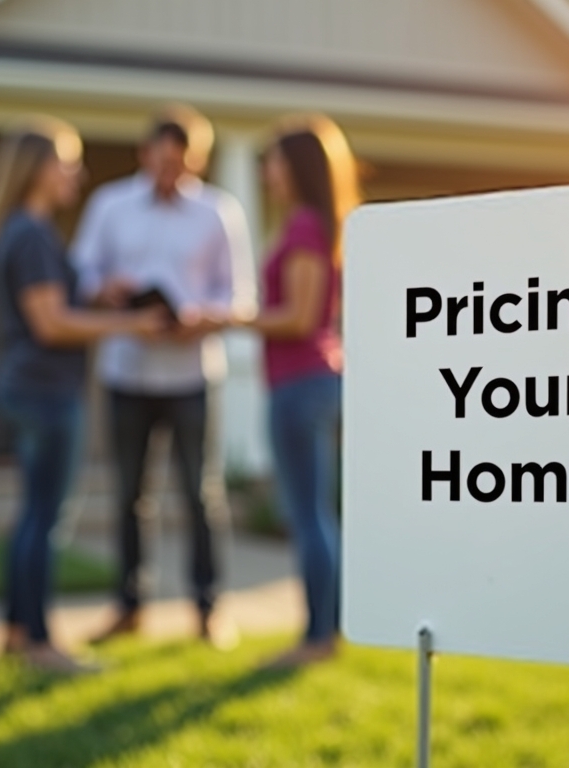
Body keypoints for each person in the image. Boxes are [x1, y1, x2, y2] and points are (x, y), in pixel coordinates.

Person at [0, 117, 161, 672]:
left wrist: (101, 295)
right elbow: (52, 324)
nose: (76, 175)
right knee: (45, 518)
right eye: (67, 162)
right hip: (46, 392)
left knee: (32, 515)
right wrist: (134, 326)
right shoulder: (32, 233)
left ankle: (15, 632)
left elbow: (58, 306)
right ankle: (39, 642)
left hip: (29, 386)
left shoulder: (20, 229)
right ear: (38, 168)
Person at [74, 105, 254, 647]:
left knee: (200, 494)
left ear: (195, 161)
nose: (168, 173)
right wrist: (106, 291)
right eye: (160, 161)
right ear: (144, 154)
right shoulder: (110, 205)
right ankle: (129, 606)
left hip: (192, 374)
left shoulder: (219, 212)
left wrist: (201, 315)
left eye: (180, 164)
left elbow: (239, 295)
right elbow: (83, 272)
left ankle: (208, 608)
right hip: (126, 372)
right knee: (130, 494)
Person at [243, 114, 358, 668]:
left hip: (301, 384)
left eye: (274, 161)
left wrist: (233, 317)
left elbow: (300, 318)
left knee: (308, 513)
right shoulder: (311, 224)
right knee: (316, 512)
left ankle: (318, 638)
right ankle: (324, 632)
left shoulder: (305, 227)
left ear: (296, 167)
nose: (267, 172)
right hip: (310, 383)